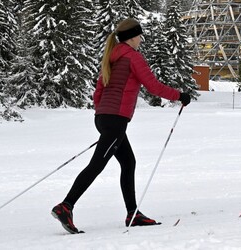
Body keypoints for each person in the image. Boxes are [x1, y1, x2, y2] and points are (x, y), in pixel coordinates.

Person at [50, 18, 191, 234]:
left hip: (105, 118)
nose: (141, 41)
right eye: (140, 37)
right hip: (115, 120)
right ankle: (66, 206)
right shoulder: (132, 57)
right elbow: (153, 86)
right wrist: (180, 95)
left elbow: (98, 91)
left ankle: (132, 213)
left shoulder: (112, 57)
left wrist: (104, 115)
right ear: (132, 37)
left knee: (128, 161)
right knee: (97, 165)